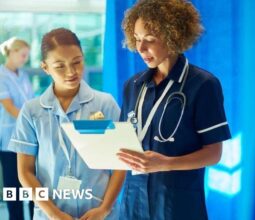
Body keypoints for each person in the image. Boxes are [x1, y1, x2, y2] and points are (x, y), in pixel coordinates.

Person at [117, 0, 231, 219]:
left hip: (177, 205)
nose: (140, 48)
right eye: (138, 39)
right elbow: (127, 141)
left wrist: (167, 163)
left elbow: (214, 153)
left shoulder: (203, 84)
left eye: (149, 39)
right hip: (133, 203)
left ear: (173, 36)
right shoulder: (133, 86)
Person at [8, 28, 126, 220]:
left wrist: (104, 209)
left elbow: (120, 164)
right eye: (60, 66)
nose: (71, 72)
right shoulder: (31, 111)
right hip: (50, 214)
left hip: (99, 213)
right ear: (45, 68)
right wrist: (53, 214)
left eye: (77, 62)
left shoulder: (104, 104)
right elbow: (25, 171)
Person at [0, 37, 34, 220]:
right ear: (12, 52)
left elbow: (31, 102)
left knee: (31, 186)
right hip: (9, 138)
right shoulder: (1, 76)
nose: (24, 59)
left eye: (27, 56)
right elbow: (10, 107)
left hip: (28, 138)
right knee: (13, 187)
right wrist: (33, 121)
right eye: (22, 55)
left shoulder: (24, 76)